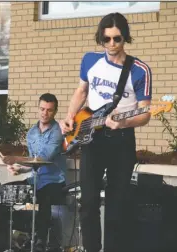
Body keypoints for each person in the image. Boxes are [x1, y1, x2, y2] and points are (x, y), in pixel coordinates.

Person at [59, 13, 152, 252]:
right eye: (106, 39)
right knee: (88, 202)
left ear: (125, 37)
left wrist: (122, 123)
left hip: (121, 140)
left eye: (117, 39)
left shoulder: (139, 70)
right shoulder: (90, 60)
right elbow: (82, 91)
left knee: (116, 205)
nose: (111, 44)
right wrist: (70, 117)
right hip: (92, 138)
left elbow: (145, 114)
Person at [0, 93, 66, 252]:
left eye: (49, 110)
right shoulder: (31, 133)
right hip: (34, 180)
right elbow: (33, 164)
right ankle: (3, 238)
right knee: (1, 194)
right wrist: (19, 168)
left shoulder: (58, 132)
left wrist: (16, 159)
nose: (45, 113)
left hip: (55, 182)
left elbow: (44, 158)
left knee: (44, 196)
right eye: (42, 109)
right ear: (38, 108)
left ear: (55, 111)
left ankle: (40, 242)